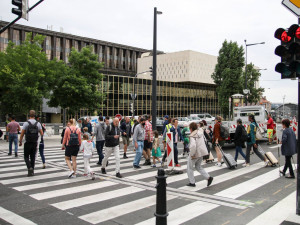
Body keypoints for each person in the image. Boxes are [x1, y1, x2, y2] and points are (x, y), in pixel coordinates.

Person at [186, 122, 213, 187]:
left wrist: (192, 154)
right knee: (198, 166)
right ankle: (208, 177)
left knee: (190, 168)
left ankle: (192, 182)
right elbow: (205, 141)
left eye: (190, 128)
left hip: (195, 153)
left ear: (191, 128)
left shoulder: (192, 135)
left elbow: (193, 146)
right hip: (201, 153)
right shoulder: (200, 133)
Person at [19, 110, 43, 177]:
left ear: (29, 115)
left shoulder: (26, 123)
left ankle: (29, 168)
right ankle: (32, 171)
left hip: (27, 142)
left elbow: (22, 133)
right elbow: (42, 133)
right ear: (35, 115)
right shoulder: (38, 124)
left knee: (26, 156)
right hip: (34, 142)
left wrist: (20, 141)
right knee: (33, 157)